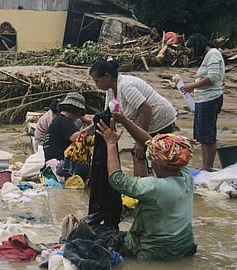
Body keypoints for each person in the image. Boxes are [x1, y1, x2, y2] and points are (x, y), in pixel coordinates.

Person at [92, 112, 197, 261]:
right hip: (183, 248)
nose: (151, 162)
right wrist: (124, 120)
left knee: (96, 231)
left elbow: (116, 179)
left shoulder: (155, 187)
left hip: (150, 252)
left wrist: (110, 144)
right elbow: (152, 143)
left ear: (158, 163)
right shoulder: (186, 176)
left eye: (152, 159)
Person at [89, 58, 177, 177]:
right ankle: (144, 186)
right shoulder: (110, 90)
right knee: (139, 155)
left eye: (97, 81)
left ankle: (156, 185)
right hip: (146, 123)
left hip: (160, 119)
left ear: (107, 76)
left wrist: (141, 142)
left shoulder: (125, 86)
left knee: (158, 158)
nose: (96, 85)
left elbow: (146, 110)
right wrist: (89, 129)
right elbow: (108, 114)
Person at [180, 33, 225, 172]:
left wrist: (192, 86)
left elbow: (212, 78)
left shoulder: (213, 54)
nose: (192, 52)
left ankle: (208, 167)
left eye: (192, 49)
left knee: (208, 135)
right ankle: (205, 166)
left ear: (198, 46)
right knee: (202, 135)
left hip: (210, 99)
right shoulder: (209, 55)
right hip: (202, 99)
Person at [42, 92, 87, 162]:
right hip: (59, 162)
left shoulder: (58, 119)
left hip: (50, 160)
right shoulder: (65, 121)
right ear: (76, 110)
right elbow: (78, 138)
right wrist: (92, 125)